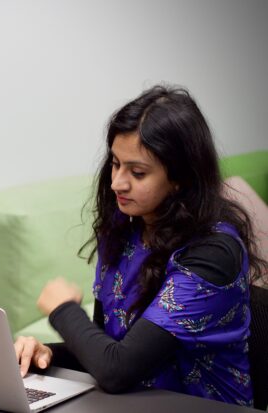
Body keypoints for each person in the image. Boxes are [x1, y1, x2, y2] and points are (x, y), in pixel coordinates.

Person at [14, 85, 267, 406]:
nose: (117, 182)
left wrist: (63, 310)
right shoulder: (124, 229)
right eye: (115, 164)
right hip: (130, 402)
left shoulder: (213, 252)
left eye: (137, 172)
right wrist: (46, 353)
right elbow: (107, 348)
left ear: (180, 177)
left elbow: (117, 369)